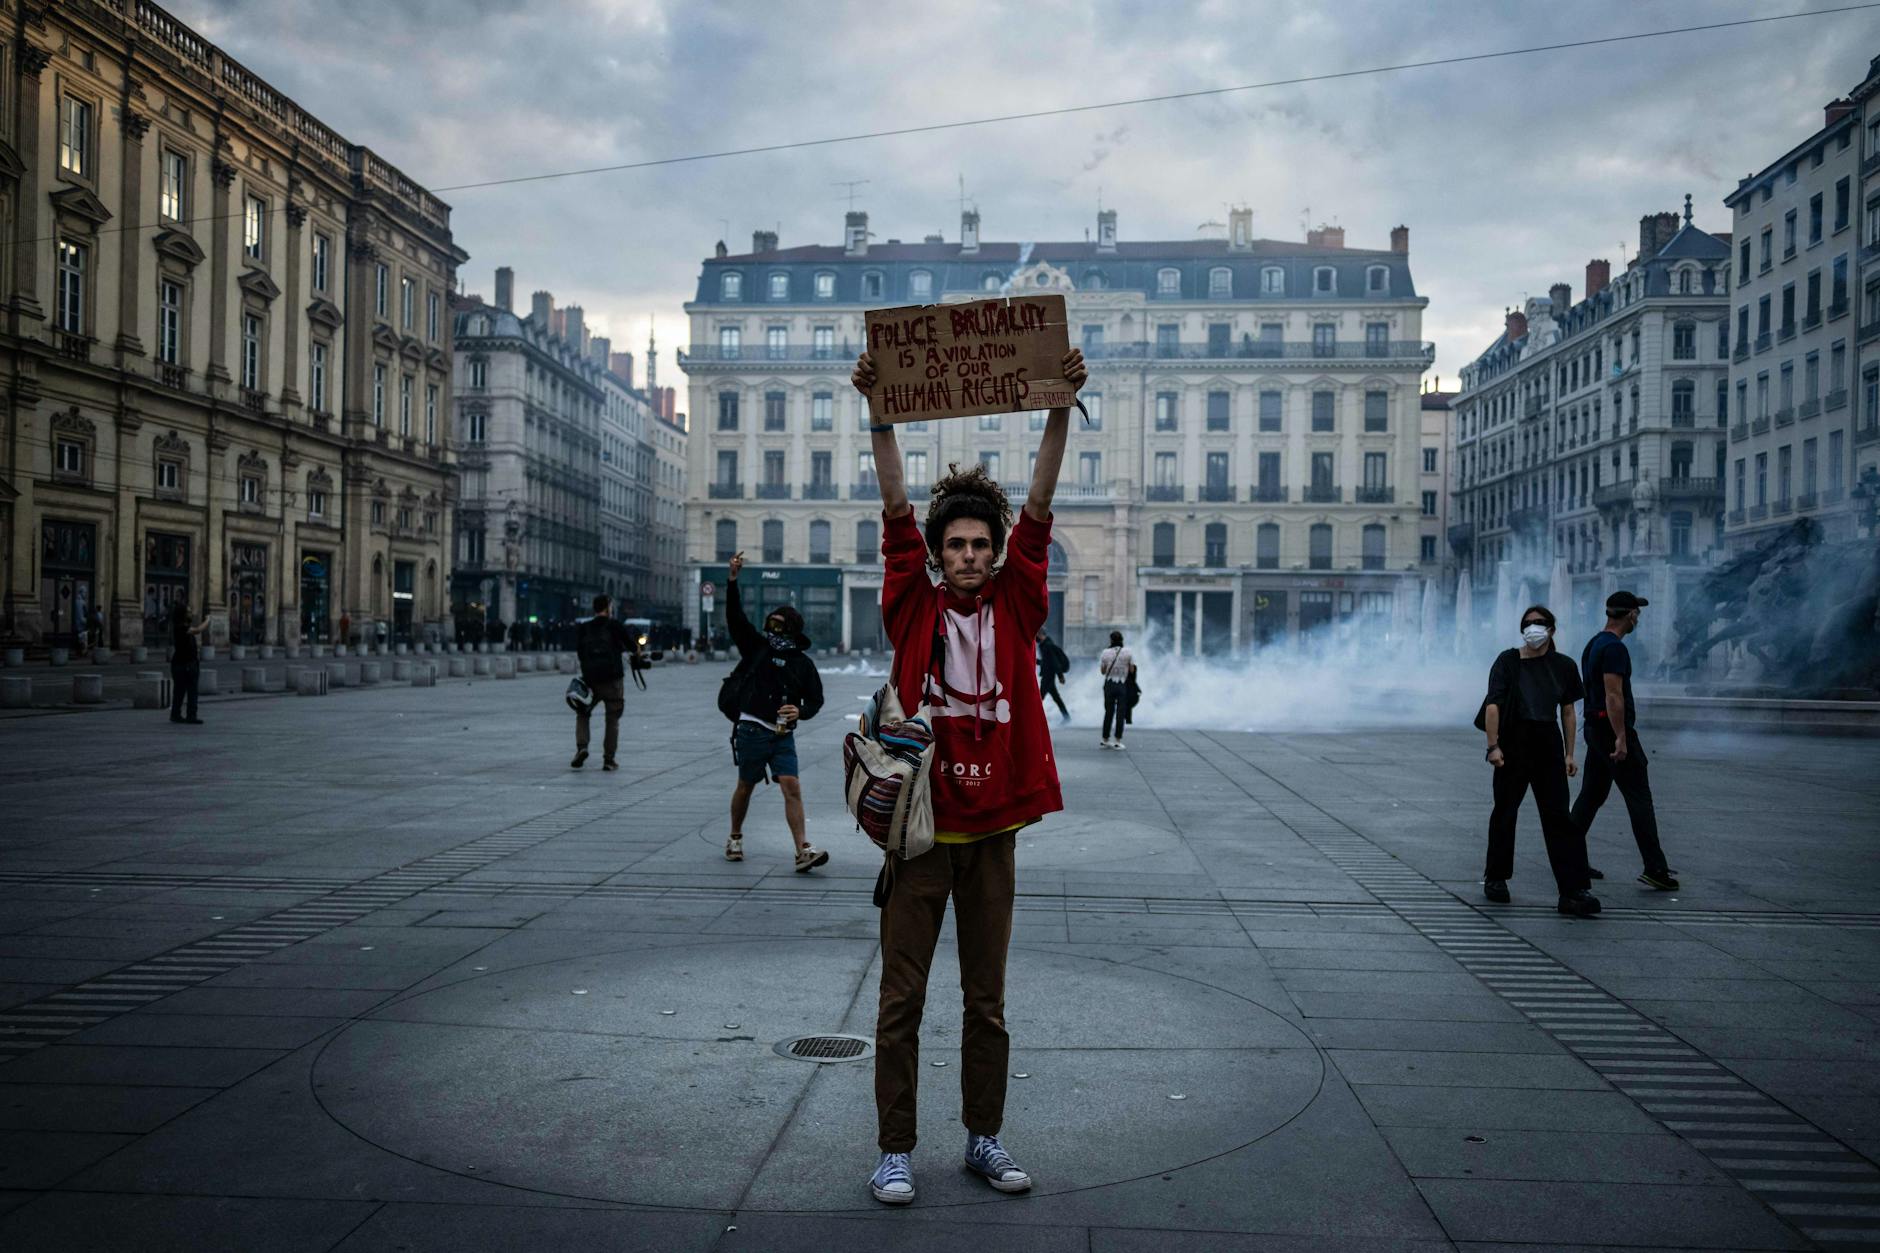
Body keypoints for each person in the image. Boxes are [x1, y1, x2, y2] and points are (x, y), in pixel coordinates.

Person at [850, 346, 1086, 1206]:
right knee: (900, 1001)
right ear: (937, 553)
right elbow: (894, 505)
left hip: (991, 836)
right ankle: (895, 1149)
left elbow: (1040, 504)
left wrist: (1060, 404)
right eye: (957, 544)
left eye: (981, 544)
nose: (971, 554)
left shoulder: (1019, 601)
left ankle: (984, 1137)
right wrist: (880, 414)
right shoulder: (910, 603)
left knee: (986, 1002)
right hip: (920, 836)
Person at [1479, 605, 1600, 917]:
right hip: (1513, 741)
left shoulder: (1563, 665)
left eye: (1539, 623)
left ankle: (1573, 891)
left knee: (1559, 817)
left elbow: (1569, 711)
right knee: (1505, 810)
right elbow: (1493, 705)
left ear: (1551, 630)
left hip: (1547, 741)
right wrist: (1493, 747)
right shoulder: (1507, 660)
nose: (1533, 628)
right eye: (1528, 624)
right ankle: (1496, 878)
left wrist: (1570, 753)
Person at [723, 550, 826, 869]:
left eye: (779, 627)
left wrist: (801, 711)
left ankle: (802, 850)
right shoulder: (757, 648)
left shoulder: (802, 664)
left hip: (782, 734)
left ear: (792, 630)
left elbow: (816, 700)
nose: (772, 632)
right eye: (770, 625)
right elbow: (736, 619)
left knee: (792, 786)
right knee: (746, 785)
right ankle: (735, 836)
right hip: (752, 728)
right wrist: (732, 582)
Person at [1571, 591, 1679, 891]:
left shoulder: (1593, 643)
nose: (1638, 618)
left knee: (1591, 796)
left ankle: (1568, 855)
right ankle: (1655, 868)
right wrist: (1621, 736)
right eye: (1637, 613)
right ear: (1630, 615)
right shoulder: (1615, 649)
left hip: (1594, 728)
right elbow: (1613, 695)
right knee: (1639, 798)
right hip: (1611, 732)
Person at [572, 595, 634, 771]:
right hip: (612, 680)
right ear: (608, 608)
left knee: (583, 713)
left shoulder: (584, 627)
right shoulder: (615, 626)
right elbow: (631, 646)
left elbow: (579, 652)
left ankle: (582, 747)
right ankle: (609, 759)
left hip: (590, 680)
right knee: (612, 719)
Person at [168, 601, 207, 725]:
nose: (191, 613)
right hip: (186, 665)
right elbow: (198, 630)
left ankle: (176, 714)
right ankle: (190, 715)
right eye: (189, 612)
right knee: (191, 691)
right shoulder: (181, 627)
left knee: (179, 691)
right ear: (183, 614)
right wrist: (208, 620)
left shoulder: (180, 627)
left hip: (182, 664)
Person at [1097, 631, 1133, 749]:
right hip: (1122, 684)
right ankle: (1117, 740)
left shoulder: (1105, 652)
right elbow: (1132, 669)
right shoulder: (1128, 652)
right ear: (1121, 639)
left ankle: (1105, 738)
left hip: (1109, 684)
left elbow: (1102, 671)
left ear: (1111, 640)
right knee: (1120, 713)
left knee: (1108, 712)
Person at [1036, 627, 1070, 724]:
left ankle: (1033, 719)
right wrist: (1035, 661)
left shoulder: (1047, 646)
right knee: (1056, 698)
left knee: (1039, 698)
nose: (1035, 638)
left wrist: (1060, 676)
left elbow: (1054, 662)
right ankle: (1066, 717)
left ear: (1040, 634)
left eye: (1036, 635)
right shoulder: (1045, 645)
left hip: (1048, 676)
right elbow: (1047, 662)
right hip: (1049, 675)